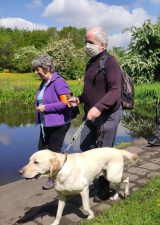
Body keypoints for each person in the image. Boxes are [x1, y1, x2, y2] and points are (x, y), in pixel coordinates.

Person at [68, 26, 122, 202]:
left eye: (89, 42)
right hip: (91, 115)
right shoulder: (91, 62)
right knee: (84, 145)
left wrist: (98, 107)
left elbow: (115, 91)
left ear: (101, 45)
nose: (86, 45)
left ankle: (104, 189)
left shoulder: (110, 62)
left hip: (107, 115)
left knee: (103, 154)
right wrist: (79, 99)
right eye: (86, 41)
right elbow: (91, 89)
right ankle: (97, 172)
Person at [32, 54, 72, 190]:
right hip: (46, 124)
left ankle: (53, 179)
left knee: (54, 153)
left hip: (59, 124)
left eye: (37, 69)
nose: (36, 72)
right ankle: (46, 173)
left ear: (46, 67)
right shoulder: (44, 82)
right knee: (42, 150)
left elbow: (66, 102)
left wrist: (46, 108)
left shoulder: (59, 82)